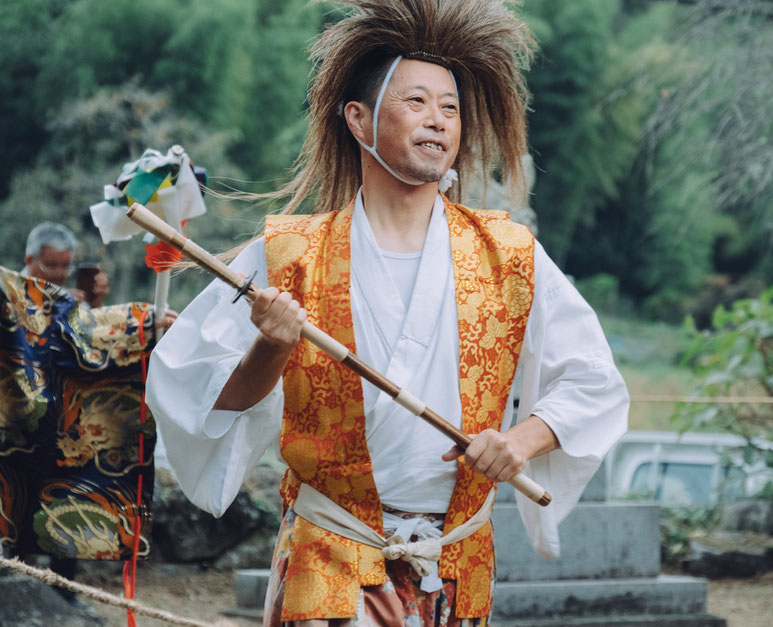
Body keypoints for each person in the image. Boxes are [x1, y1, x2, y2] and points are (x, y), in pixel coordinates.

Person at [146, 1, 629, 625]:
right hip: (330, 556)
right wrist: (271, 347)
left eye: (450, 108)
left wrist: (516, 442)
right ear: (359, 118)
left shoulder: (510, 256)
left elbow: (593, 379)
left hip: (456, 560)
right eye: (417, 102)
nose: (438, 121)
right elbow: (197, 396)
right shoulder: (289, 253)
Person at [1, 222, 176, 604]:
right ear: (29, 260)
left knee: (66, 505)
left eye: (65, 266)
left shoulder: (65, 300)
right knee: (13, 509)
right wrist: (135, 323)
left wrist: (91, 311)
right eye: (51, 266)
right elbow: (57, 334)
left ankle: (64, 601)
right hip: (15, 426)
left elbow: (80, 352)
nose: (60, 274)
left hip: (63, 429)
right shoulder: (10, 297)